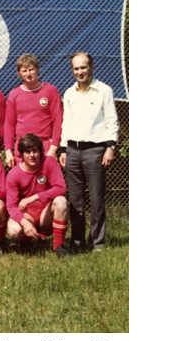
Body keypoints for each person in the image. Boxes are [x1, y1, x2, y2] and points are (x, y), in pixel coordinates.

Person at [59, 52, 119, 251]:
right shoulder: (69, 93)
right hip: (72, 151)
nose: (80, 72)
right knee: (75, 201)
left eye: (83, 67)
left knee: (96, 199)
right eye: (76, 68)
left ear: (91, 67)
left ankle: (97, 242)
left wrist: (110, 147)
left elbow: (111, 121)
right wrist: (63, 149)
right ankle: (77, 242)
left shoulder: (104, 90)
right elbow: (66, 123)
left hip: (95, 150)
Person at [6, 134, 69, 258]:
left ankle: (59, 247)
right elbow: (11, 206)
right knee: (14, 230)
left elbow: (61, 188)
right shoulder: (14, 174)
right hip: (27, 215)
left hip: (46, 214)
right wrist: (24, 223)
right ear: (21, 154)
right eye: (27, 152)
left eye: (35, 151)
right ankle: (26, 242)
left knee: (61, 201)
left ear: (40, 151)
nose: (32, 155)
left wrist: (34, 197)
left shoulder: (49, 162)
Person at [4, 54, 63, 167]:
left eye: (31, 69)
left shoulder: (50, 91)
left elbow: (58, 121)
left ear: (37, 69)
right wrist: (8, 151)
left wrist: (53, 148)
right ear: (19, 74)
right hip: (22, 146)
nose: (28, 73)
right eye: (24, 71)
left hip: (45, 146)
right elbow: (9, 125)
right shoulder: (14, 94)